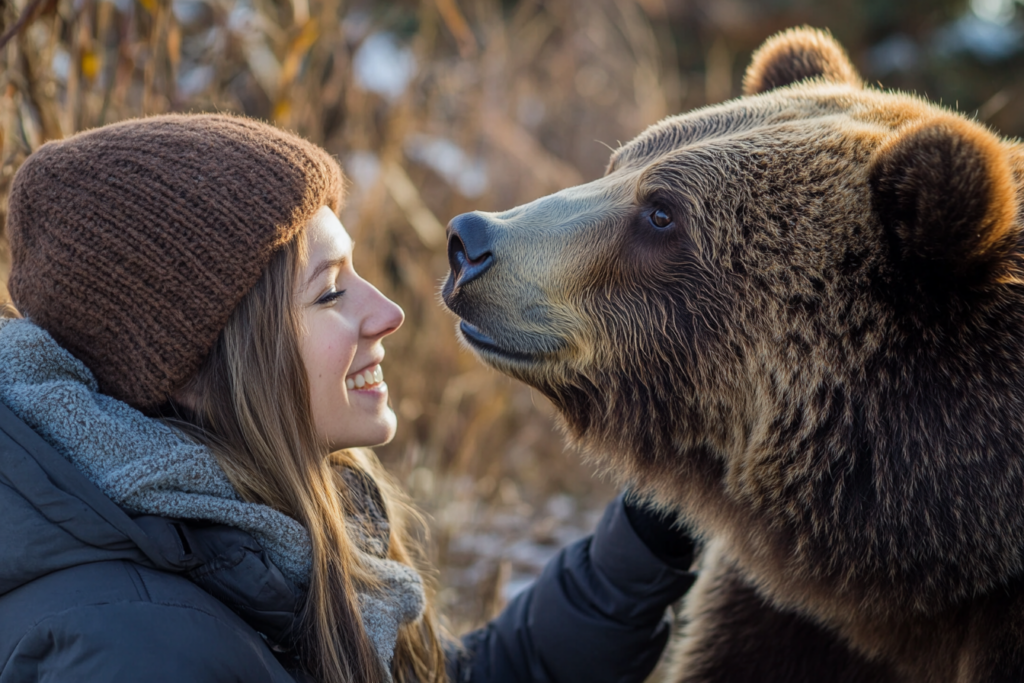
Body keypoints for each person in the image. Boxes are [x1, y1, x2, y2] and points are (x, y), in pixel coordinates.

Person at [0, 114, 697, 683]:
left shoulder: (254, 539)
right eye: (331, 290)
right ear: (198, 365)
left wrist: (646, 533)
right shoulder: (140, 653)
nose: (389, 311)